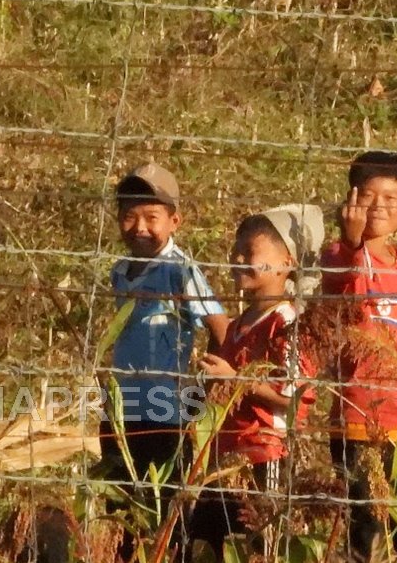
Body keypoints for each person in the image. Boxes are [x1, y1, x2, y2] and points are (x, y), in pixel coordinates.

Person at [100, 162, 230, 558]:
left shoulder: (180, 270)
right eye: (129, 216)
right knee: (122, 509)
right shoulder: (120, 271)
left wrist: (204, 390)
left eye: (151, 217)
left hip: (166, 411)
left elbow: (219, 327)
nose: (139, 227)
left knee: (163, 511)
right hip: (123, 410)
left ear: (175, 221)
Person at [321, 151, 397, 563]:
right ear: (350, 200)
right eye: (369, 196)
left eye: (390, 198)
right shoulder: (338, 257)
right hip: (360, 423)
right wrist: (353, 244)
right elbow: (347, 310)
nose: (378, 207)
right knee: (367, 534)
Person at [192, 205, 322, 559]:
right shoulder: (238, 325)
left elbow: (296, 398)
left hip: (263, 458)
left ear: (286, 263)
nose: (237, 259)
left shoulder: (286, 322)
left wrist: (236, 380)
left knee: (256, 550)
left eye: (249, 252)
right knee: (202, 547)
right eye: (235, 250)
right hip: (224, 458)